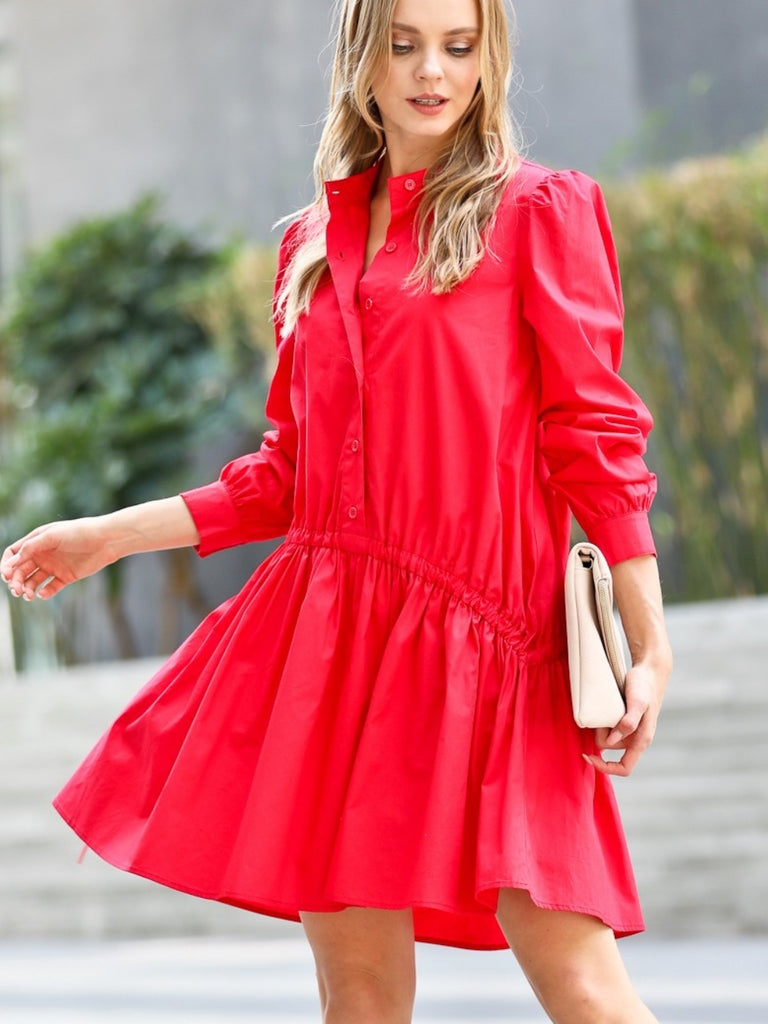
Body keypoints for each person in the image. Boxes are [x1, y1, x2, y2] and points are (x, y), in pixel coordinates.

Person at [2, 0, 673, 1020]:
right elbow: (288, 474)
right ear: (362, 56)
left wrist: (647, 634)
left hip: (494, 642)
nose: (431, 72)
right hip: (338, 648)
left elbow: (594, 435)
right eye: (403, 45)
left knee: (576, 974)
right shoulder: (313, 245)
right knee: (357, 993)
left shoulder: (540, 211)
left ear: (490, 55)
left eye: (457, 46)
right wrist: (107, 536)